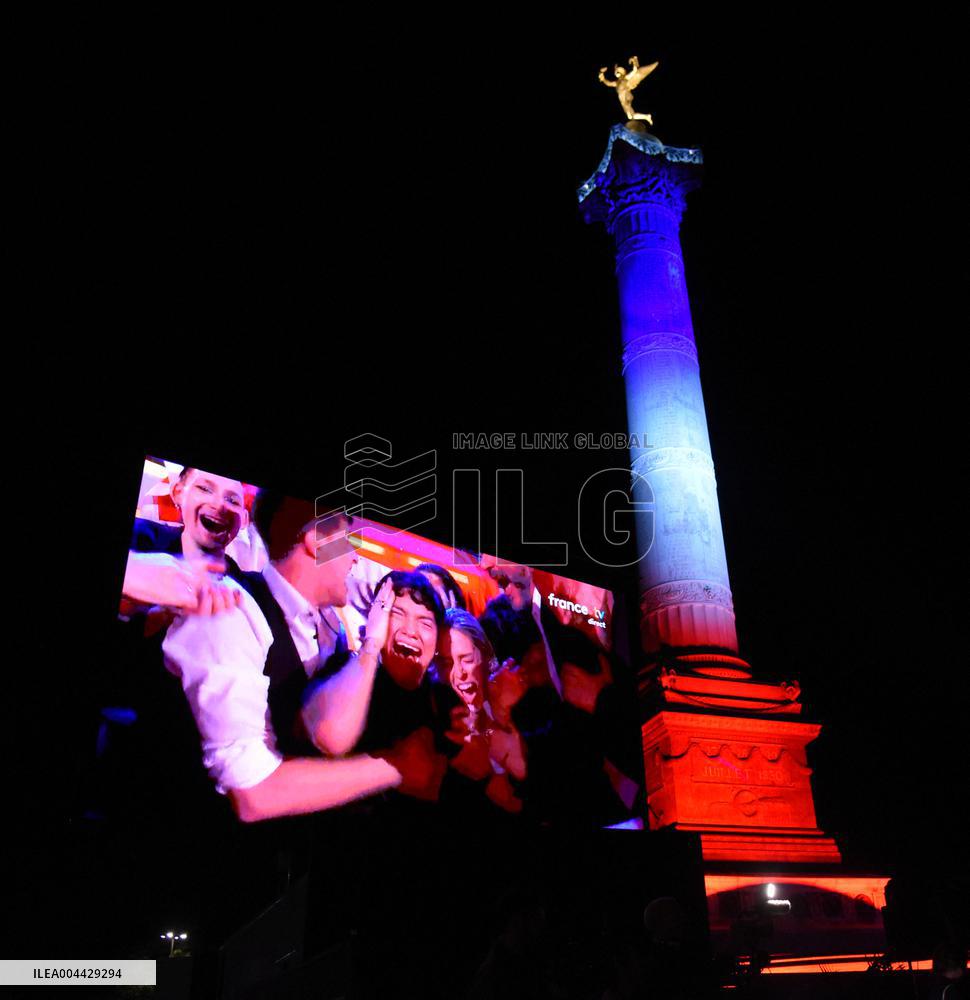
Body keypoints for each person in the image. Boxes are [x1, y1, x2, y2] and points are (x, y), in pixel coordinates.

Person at [161, 494, 405, 822]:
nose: (354, 559)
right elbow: (253, 795)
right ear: (317, 541)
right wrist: (395, 766)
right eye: (348, 542)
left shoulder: (331, 628)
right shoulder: (231, 612)